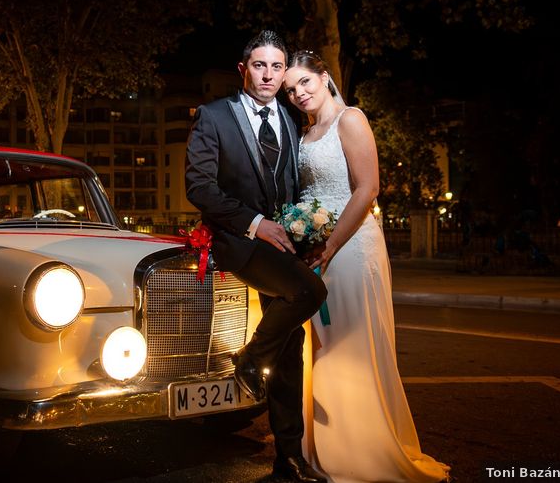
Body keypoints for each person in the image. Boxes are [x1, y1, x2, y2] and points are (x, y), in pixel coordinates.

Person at [283, 50, 450, 482]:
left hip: (351, 247)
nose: (299, 93)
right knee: (324, 345)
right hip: (319, 249)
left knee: (353, 342)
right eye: (291, 89)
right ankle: (328, 449)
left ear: (324, 77)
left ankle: (365, 452)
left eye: (304, 82)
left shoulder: (350, 119)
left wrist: (330, 244)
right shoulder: (305, 133)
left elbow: (368, 188)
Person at [186, 30, 328, 483]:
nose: (269, 75)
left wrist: (305, 225)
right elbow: (200, 187)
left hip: (284, 244)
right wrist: (255, 224)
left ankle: (288, 459)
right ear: (243, 68)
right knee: (308, 292)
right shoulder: (213, 116)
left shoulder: (289, 117)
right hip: (241, 243)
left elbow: (292, 183)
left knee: (291, 348)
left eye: (277, 67)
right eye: (260, 65)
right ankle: (249, 359)